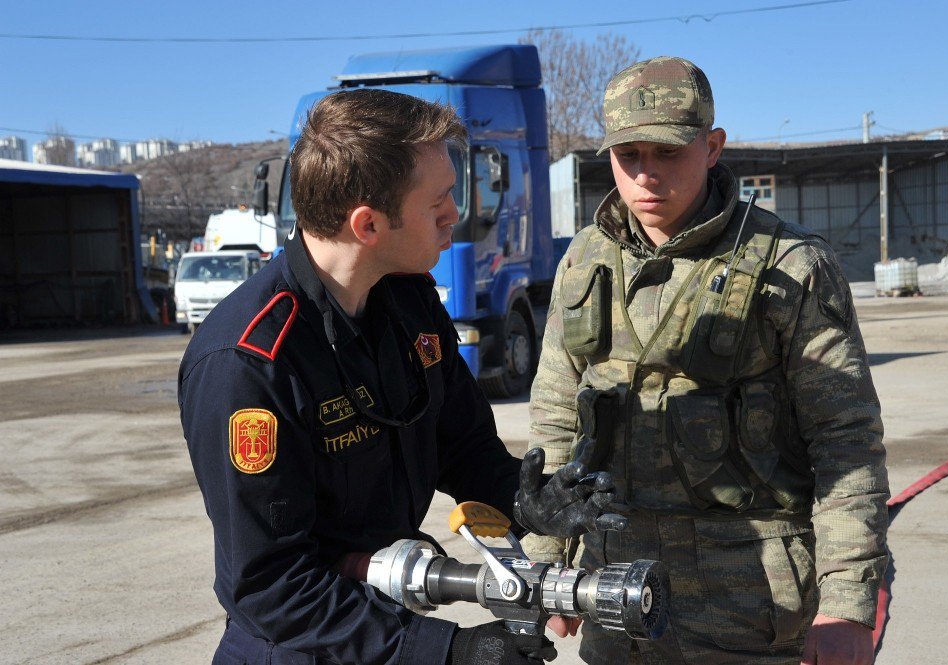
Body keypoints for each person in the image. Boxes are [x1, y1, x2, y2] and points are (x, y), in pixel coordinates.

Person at [178, 88, 620, 665]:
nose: (454, 215)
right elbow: (270, 586)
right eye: (437, 202)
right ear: (368, 224)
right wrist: (445, 652)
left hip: (383, 618)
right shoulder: (250, 365)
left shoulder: (407, 301)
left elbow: (460, 445)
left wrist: (529, 502)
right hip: (301, 649)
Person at [525, 56, 890, 665]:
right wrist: (549, 559)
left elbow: (845, 439)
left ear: (712, 146)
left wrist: (847, 602)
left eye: (667, 154)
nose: (645, 177)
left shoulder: (792, 266)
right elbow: (558, 416)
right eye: (627, 156)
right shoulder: (584, 261)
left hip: (748, 603)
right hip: (616, 591)